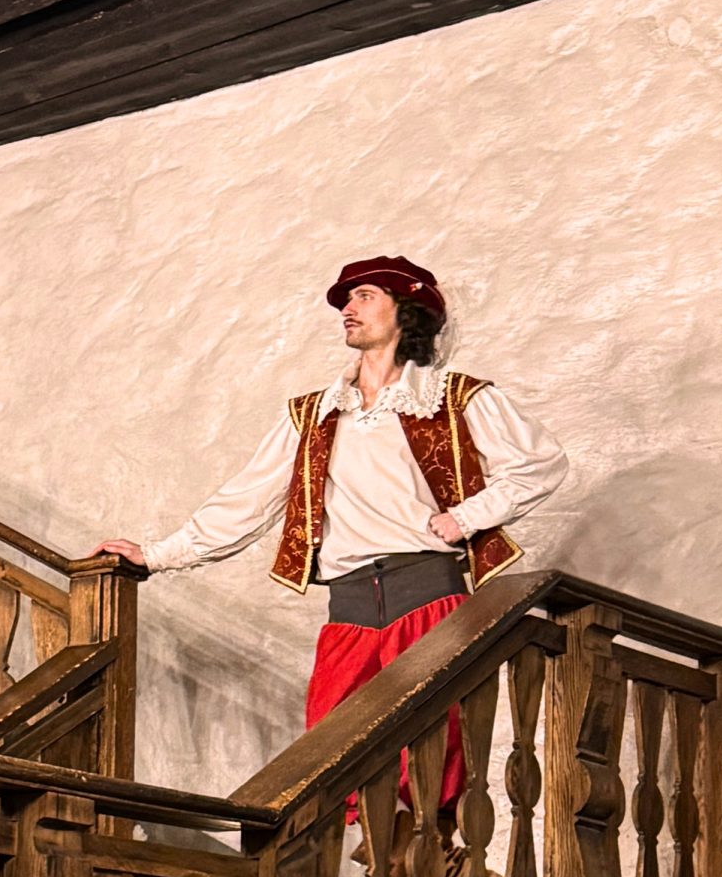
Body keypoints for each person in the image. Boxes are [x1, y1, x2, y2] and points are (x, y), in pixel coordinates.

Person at [100, 256, 566, 756]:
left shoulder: (450, 396)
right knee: (332, 756)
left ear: (405, 310)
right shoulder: (315, 413)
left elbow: (540, 463)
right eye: (346, 299)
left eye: (364, 296)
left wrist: (466, 518)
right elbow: (246, 500)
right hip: (349, 608)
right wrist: (155, 555)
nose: (348, 307)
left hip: (429, 598)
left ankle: (435, 836)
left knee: (434, 756)